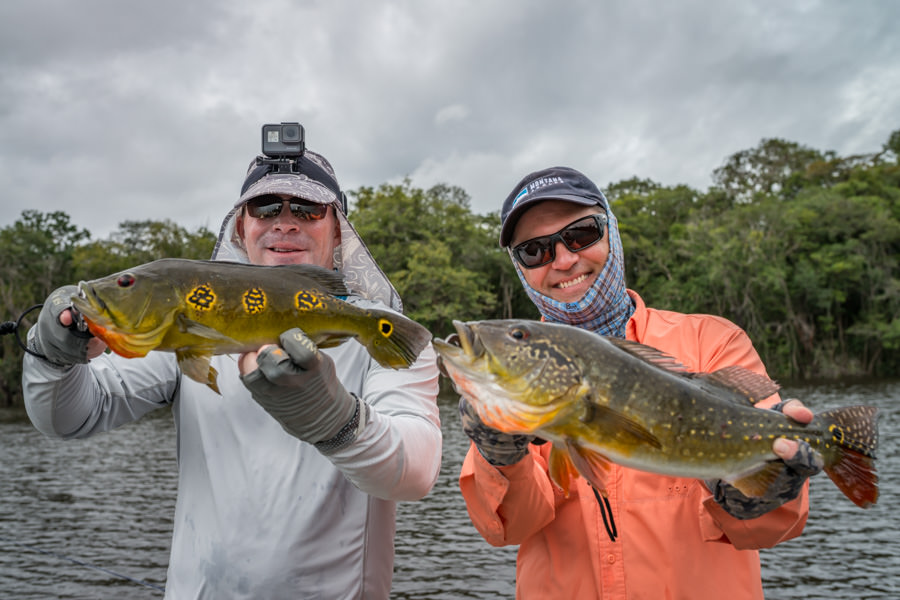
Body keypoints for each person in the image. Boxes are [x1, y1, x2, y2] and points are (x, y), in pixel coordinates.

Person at [22, 140, 442, 599]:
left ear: (338, 230)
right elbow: (71, 418)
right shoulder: (183, 330)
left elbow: (416, 473)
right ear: (241, 228)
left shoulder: (381, 333)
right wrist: (52, 354)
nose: (284, 221)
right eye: (264, 206)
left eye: (307, 208)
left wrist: (332, 417)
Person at [457, 166, 822, 599]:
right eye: (534, 251)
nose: (563, 260)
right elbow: (509, 527)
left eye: (581, 234)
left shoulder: (713, 341)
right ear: (520, 268)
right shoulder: (521, 376)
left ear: (612, 232)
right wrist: (497, 453)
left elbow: (773, 524)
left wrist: (757, 491)